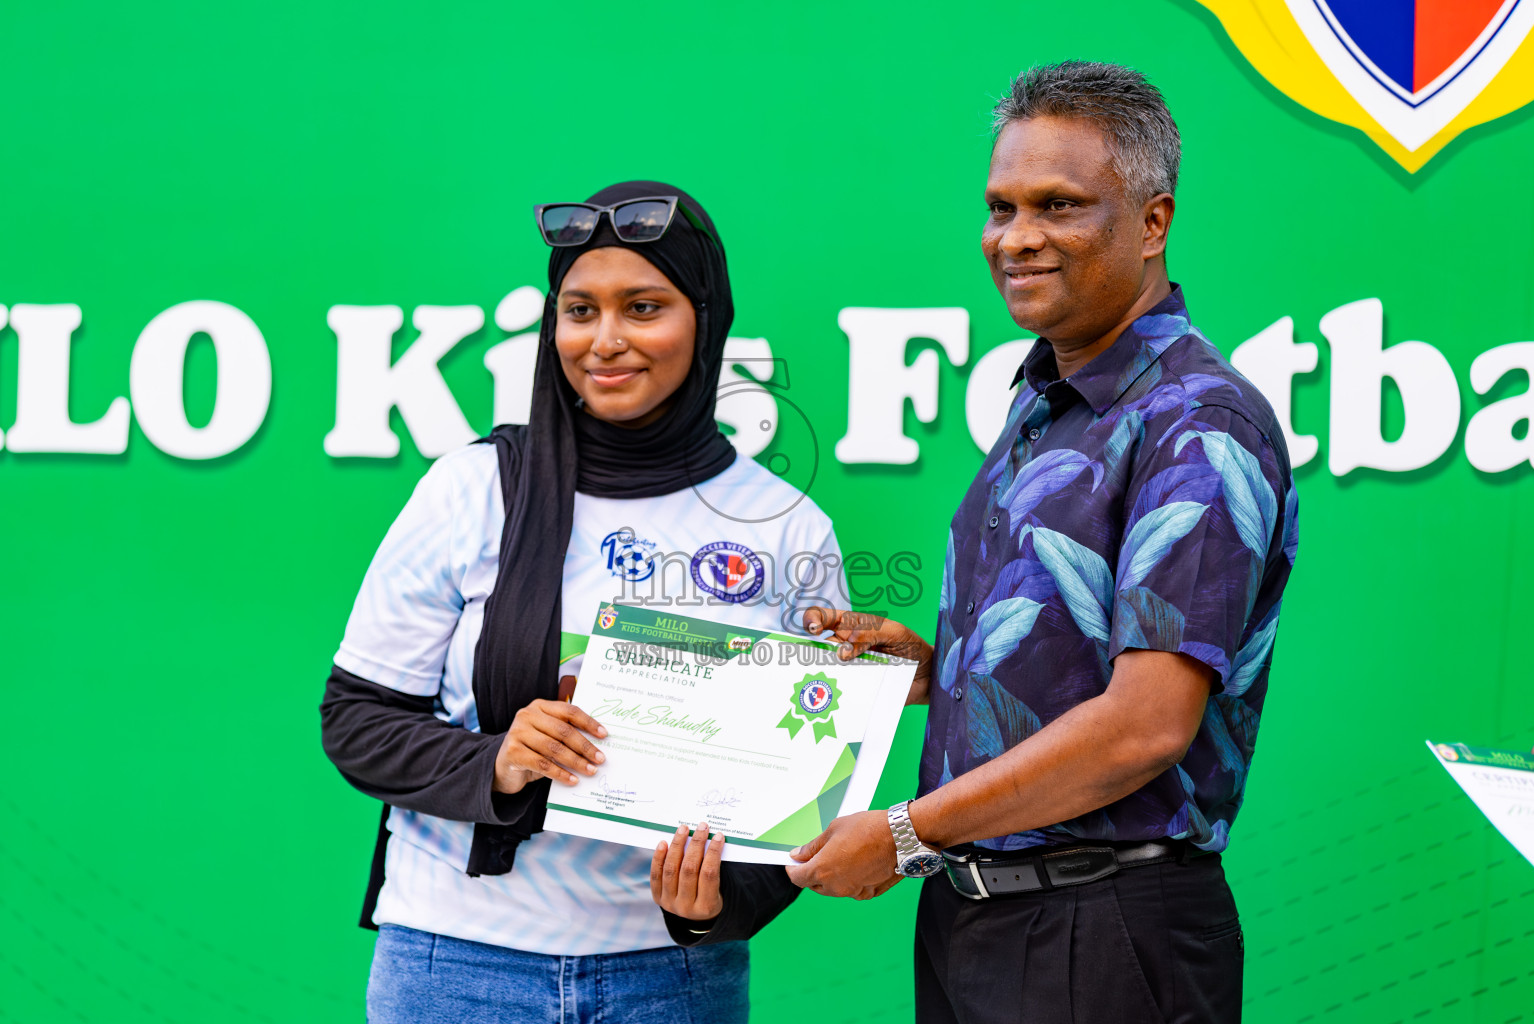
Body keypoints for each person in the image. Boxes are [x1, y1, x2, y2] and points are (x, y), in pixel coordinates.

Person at [778, 62, 1299, 1023]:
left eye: (1059, 205)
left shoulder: (1199, 425)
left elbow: (1144, 725)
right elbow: (1084, 661)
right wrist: (938, 671)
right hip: (981, 919)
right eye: (1001, 207)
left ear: (1152, 223)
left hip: (1100, 932)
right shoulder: (1045, 399)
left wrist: (900, 835)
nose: (1017, 238)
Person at [319, 181, 846, 1023]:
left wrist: (713, 906)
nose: (604, 341)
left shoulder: (784, 526)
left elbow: (798, 798)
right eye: (578, 309)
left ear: (704, 321)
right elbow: (357, 720)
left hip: (671, 980)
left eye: (643, 307)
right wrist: (498, 760)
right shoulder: (472, 489)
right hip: (453, 967)